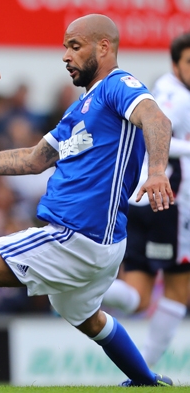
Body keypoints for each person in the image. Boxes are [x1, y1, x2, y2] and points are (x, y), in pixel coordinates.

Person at [0, 14, 174, 387]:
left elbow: (157, 118)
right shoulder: (79, 109)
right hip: (101, 243)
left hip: (76, 235)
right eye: (65, 46)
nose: (65, 55)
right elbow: (35, 159)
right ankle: (147, 381)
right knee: (88, 318)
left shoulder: (119, 85)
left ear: (104, 47)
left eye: (74, 46)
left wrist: (157, 171)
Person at [102, 31, 190, 366]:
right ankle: (144, 376)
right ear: (175, 64)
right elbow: (157, 130)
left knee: (139, 298)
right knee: (179, 291)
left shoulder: (168, 89)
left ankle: (70, 285)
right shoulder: (175, 98)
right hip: (165, 205)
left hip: (142, 202)